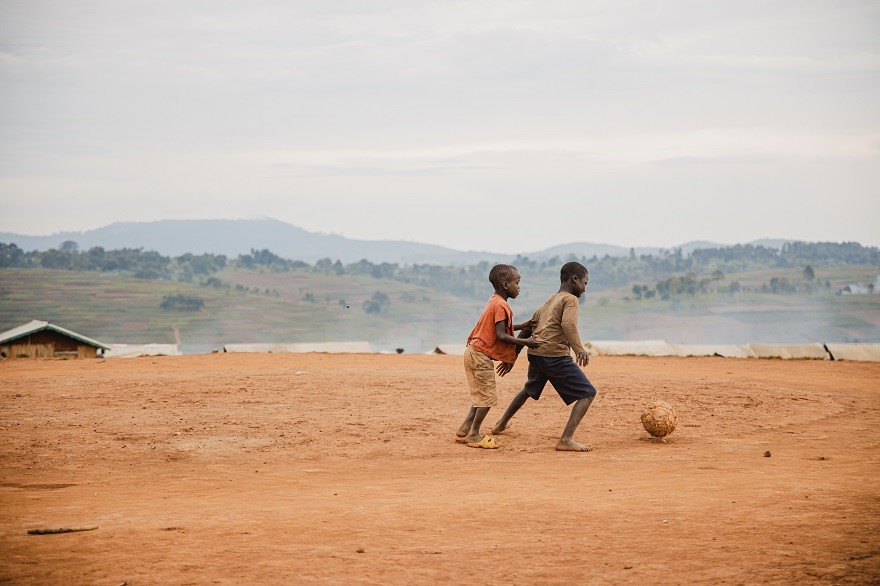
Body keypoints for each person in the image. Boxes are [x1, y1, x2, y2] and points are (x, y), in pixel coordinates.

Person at [492, 261, 597, 452]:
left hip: (536, 354)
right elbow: (568, 325)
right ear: (574, 279)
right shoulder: (570, 300)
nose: (584, 289)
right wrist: (579, 349)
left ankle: (501, 423)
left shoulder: (550, 300)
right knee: (588, 393)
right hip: (554, 355)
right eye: (585, 283)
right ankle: (565, 439)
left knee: (528, 389)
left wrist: (513, 357)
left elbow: (529, 328)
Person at [456, 264, 538, 449]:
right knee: (487, 396)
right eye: (517, 283)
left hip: (472, 352)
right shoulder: (501, 304)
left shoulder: (494, 301)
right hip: (480, 356)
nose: (519, 287)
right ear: (505, 284)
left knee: (480, 394)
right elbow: (501, 335)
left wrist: (521, 326)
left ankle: (465, 427)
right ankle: (474, 434)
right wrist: (527, 342)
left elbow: (497, 329)